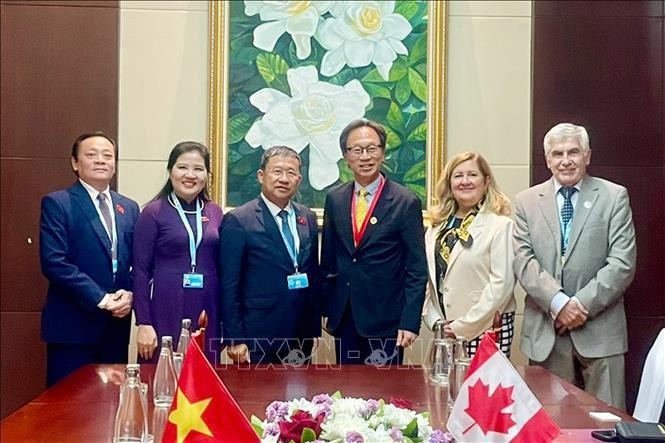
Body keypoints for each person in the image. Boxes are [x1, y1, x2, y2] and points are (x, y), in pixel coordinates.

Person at [514, 122, 636, 409]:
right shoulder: (526, 201)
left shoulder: (614, 196)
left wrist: (578, 306)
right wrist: (557, 303)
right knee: (551, 425)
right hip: (547, 331)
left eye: (573, 152)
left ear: (588, 155)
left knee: (606, 424)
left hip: (601, 330)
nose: (565, 161)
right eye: (557, 154)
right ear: (547, 159)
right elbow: (523, 260)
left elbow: (622, 262)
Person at [320, 119, 428, 365]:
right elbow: (328, 260)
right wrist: (328, 310)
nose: (365, 156)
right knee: (346, 397)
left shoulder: (405, 201)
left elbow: (416, 269)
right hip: (345, 316)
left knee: (384, 395)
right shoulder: (335, 199)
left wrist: (409, 321)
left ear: (383, 152)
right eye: (357, 150)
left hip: (387, 320)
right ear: (346, 156)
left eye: (372, 148)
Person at [40, 131, 139, 386]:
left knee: (110, 407)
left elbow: (133, 261)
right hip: (73, 327)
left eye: (108, 155)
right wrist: (101, 298)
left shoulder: (128, 207)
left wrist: (129, 292)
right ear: (75, 163)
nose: (100, 160)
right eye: (91, 155)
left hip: (115, 326)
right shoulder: (58, 203)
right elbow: (54, 262)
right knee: (68, 408)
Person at [220, 146, 321, 364]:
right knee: (258, 397)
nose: (284, 179)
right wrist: (234, 338)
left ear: (299, 179)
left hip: (300, 333)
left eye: (291, 173)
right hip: (258, 333)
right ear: (261, 175)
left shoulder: (307, 217)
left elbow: (312, 273)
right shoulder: (239, 220)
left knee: (300, 396)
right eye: (277, 171)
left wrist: (314, 329)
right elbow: (229, 284)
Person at [132, 142, 223, 363]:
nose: (190, 175)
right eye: (182, 167)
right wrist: (143, 323)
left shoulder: (215, 211)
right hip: (166, 305)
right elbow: (140, 271)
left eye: (198, 169)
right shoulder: (153, 212)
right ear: (170, 171)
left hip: (207, 306)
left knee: (204, 379)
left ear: (207, 175)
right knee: (164, 377)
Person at [422, 151, 516, 357]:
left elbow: (502, 286)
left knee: (479, 389)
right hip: (443, 330)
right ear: (449, 183)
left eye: (472, 175)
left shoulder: (500, 226)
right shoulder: (436, 228)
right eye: (458, 176)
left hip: (484, 329)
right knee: (441, 388)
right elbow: (428, 279)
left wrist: (463, 326)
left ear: (486, 180)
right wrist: (434, 320)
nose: (465, 181)